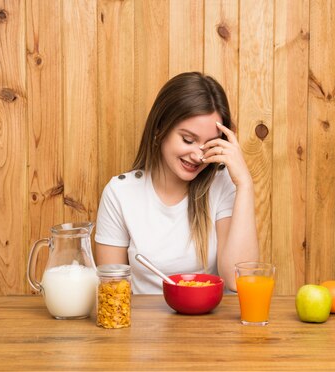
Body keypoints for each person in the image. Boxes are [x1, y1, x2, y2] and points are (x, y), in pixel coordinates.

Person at [95, 71, 258, 294]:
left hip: (209, 325)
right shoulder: (120, 193)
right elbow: (112, 291)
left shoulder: (221, 184)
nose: (199, 156)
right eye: (188, 140)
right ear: (160, 129)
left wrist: (245, 184)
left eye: (210, 145)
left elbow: (239, 280)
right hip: (145, 326)